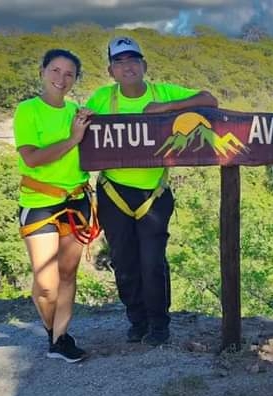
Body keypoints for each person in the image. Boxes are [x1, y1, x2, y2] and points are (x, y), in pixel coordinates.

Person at [85, 36, 218, 346]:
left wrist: (164, 109)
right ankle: (137, 320)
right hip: (113, 192)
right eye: (119, 62)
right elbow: (80, 128)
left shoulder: (163, 91)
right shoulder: (102, 98)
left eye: (133, 60)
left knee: (152, 262)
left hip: (154, 195)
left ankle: (159, 324)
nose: (127, 66)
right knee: (124, 261)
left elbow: (209, 99)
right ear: (111, 71)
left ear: (144, 65)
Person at [14, 49, 93, 363]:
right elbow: (32, 158)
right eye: (55, 70)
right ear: (42, 71)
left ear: (75, 79)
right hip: (40, 203)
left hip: (77, 201)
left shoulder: (76, 112)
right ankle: (52, 331)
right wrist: (73, 138)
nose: (61, 78)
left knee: (68, 273)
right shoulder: (27, 110)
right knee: (47, 285)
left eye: (69, 73)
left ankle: (61, 340)